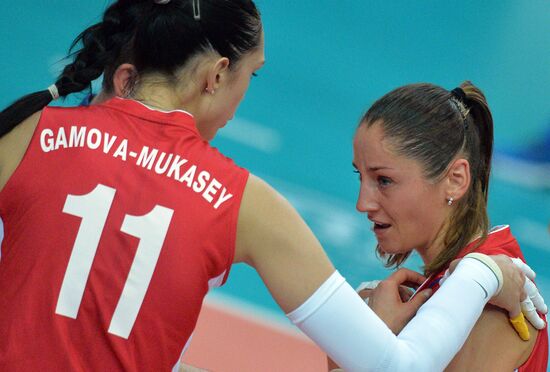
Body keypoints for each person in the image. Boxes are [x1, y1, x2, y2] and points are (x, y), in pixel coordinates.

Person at [0, 1, 544, 371]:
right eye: (249, 77)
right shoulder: (240, 201)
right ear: (215, 75)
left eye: (383, 180)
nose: (361, 203)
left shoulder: (31, 128)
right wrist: (483, 273)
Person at [347, 81, 548, 371]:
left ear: (455, 180)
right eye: (360, 176)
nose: (363, 203)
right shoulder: (459, 285)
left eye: (384, 181)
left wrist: (370, 340)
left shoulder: (490, 308)